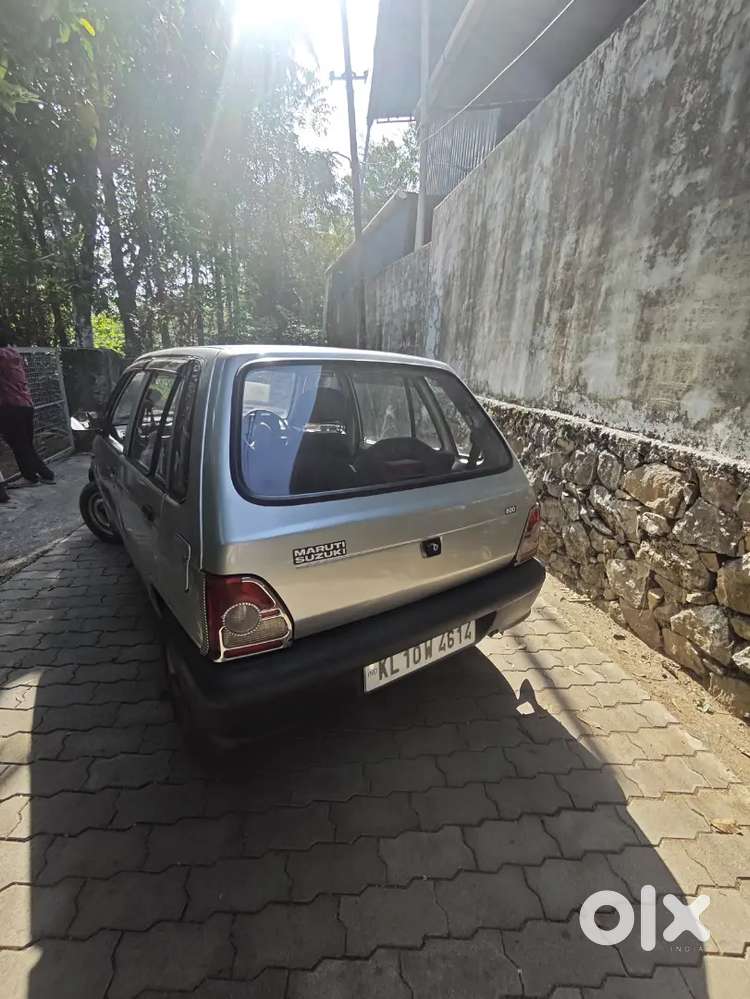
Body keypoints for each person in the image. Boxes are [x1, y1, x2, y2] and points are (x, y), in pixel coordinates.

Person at [0, 323, 55, 484]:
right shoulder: (14, 355)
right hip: (25, 405)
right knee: (25, 444)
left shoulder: (1, 357)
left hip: (10, 407)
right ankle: (43, 474)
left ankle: (33, 476)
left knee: (18, 444)